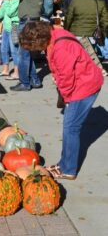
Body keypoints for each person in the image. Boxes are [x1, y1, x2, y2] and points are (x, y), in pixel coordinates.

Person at [19, 21, 103, 180]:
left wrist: (67, 99)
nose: (34, 51)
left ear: (38, 40)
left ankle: (68, 169)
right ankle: (63, 163)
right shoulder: (54, 35)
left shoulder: (60, 48)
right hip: (83, 81)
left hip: (85, 86)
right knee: (70, 126)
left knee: (71, 127)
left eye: (33, 47)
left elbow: (66, 79)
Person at [6, 0, 43, 91]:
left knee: (23, 55)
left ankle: (24, 83)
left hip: (27, 22)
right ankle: (35, 80)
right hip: (34, 21)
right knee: (28, 53)